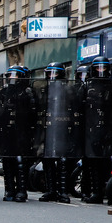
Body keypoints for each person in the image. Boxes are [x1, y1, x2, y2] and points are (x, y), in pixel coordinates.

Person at [80, 55, 112, 204]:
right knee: (93, 162)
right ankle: (95, 192)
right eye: (98, 68)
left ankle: (110, 191)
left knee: (110, 161)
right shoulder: (87, 86)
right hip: (91, 129)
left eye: (104, 67)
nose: (101, 70)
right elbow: (80, 107)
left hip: (109, 129)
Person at [37, 62, 83, 203]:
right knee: (47, 160)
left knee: (62, 161)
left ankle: (63, 192)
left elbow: (75, 111)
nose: (52, 76)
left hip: (63, 129)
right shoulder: (44, 89)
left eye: (55, 73)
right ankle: (51, 190)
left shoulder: (69, 90)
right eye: (50, 73)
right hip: (48, 129)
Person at [0, 65, 37, 202]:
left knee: (20, 161)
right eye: (10, 75)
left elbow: (33, 113)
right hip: (7, 130)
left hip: (22, 131)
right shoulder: (4, 91)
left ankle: (21, 190)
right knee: (7, 160)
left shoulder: (27, 92)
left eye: (16, 75)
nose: (12, 78)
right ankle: (9, 190)